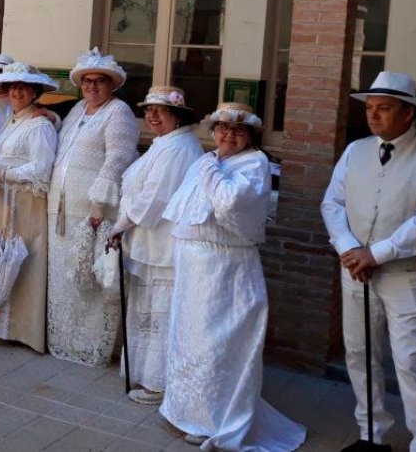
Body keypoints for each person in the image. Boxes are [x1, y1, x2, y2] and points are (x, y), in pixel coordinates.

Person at [160, 102, 306, 449]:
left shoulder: (254, 164)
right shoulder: (207, 160)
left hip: (225, 269)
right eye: (222, 129)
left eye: (237, 131)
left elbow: (229, 202)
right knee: (190, 339)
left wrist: (211, 168)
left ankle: (215, 418)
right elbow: (183, 209)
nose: (228, 135)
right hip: (193, 268)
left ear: (250, 137)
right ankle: (186, 410)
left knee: (218, 343)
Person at [322, 71, 416, 451]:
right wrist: (348, 248)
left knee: (411, 360)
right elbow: (332, 203)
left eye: (383, 108)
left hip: (407, 273)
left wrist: (377, 252)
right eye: (370, 108)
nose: (373, 116)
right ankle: (371, 434)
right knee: (358, 352)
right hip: (355, 269)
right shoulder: (356, 150)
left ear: (408, 113)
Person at [105, 86, 201, 404]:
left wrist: (119, 225)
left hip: (165, 245)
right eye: (148, 110)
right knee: (146, 310)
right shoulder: (165, 143)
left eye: (160, 110)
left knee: (161, 313)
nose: (153, 116)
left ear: (178, 115)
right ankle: (143, 373)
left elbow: (155, 198)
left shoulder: (180, 147)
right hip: (149, 242)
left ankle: (160, 383)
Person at [47, 47, 138, 366]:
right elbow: (66, 145)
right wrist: (52, 117)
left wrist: (99, 204)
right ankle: (66, 341)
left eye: (100, 81)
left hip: (92, 213)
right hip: (60, 210)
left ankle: (94, 346)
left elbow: (119, 158)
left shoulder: (119, 112)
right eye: (87, 81)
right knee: (66, 277)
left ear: (112, 84)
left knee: (91, 279)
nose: (92, 86)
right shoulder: (77, 112)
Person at [0, 62, 59, 352]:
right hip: (3, 202)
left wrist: (6, 175)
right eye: (13, 87)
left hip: (25, 204)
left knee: (22, 259)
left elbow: (42, 167)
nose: (18, 92)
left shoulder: (39, 125)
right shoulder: (9, 122)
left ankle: (22, 329)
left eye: (24, 87)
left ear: (35, 92)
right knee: (0, 257)